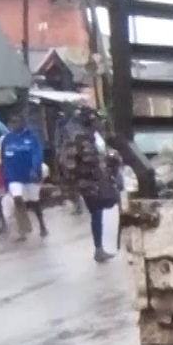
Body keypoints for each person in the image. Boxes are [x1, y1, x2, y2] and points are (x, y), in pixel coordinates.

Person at [60, 111, 123, 262]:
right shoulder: (79, 141)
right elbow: (69, 164)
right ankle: (99, 249)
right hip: (88, 183)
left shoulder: (98, 139)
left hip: (101, 181)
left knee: (102, 211)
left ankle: (101, 248)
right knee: (97, 213)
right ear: (91, 122)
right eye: (97, 121)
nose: (100, 123)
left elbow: (106, 156)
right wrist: (73, 186)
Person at [0, 109, 48, 238]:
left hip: (30, 175)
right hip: (14, 176)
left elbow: (37, 154)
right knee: (17, 199)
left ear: (22, 122)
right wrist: (5, 178)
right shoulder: (7, 139)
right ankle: (23, 229)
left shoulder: (32, 137)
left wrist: (34, 168)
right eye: (11, 122)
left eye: (16, 122)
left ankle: (42, 224)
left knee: (34, 201)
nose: (13, 125)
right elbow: (3, 158)